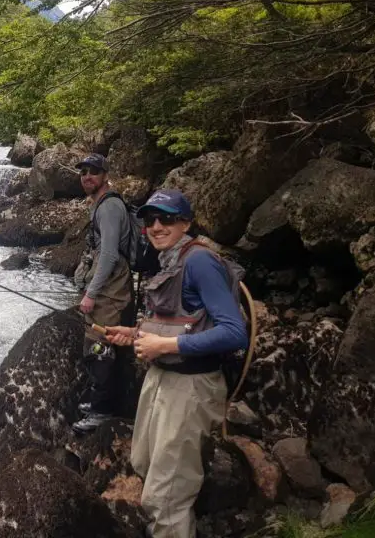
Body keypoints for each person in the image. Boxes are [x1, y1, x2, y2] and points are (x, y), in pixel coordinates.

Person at [102, 189, 248, 538]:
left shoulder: (199, 261)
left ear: (186, 223)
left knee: (166, 498)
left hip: (192, 387)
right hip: (161, 377)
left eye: (167, 218)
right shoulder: (167, 258)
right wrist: (135, 332)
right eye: (150, 219)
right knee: (143, 463)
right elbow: (184, 318)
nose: (156, 226)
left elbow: (234, 333)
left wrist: (164, 344)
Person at [71, 153, 135, 435]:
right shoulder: (100, 203)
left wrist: (91, 294)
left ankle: (102, 411)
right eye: (83, 172)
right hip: (109, 288)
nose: (87, 176)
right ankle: (102, 402)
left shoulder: (109, 207)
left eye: (93, 171)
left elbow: (108, 255)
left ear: (105, 175)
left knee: (102, 347)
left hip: (112, 292)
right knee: (103, 345)